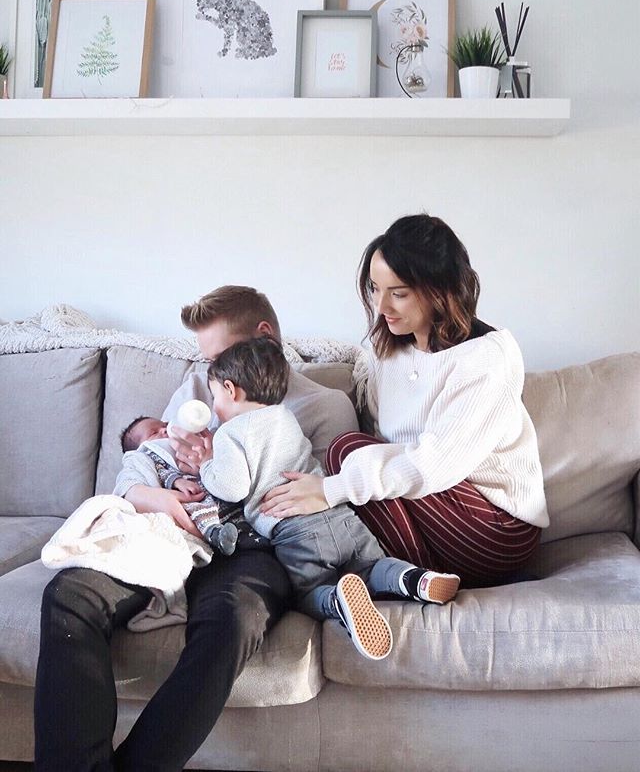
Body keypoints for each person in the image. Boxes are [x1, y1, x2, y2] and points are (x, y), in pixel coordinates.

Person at [34, 285, 359, 772]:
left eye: (217, 358)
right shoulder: (195, 388)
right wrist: (159, 497)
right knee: (69, 595)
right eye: (206, 361)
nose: (209, 376)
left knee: (233, 619)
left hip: (256, 548)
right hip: (172, 534)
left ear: (264, 336)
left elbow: (319, 510)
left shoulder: (324, 406)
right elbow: (146, 464)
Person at [262, 214, 550, 590]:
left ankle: (390, 576)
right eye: (374, 289)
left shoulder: (487, 357)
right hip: (431, 519)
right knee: (345, 452)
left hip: (496, 526)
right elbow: (380, 439)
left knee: (348, 452)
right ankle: (414, 581)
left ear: (439, 290)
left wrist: (331, 489)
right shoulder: (389, 349)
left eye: (398, 293)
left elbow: (435, 465)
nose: (382, 306)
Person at [192, 336, 460, 660]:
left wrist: (207, 464)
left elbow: (232, 487)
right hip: (339, 514)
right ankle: (414, 578)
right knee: (372, 566)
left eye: (214, 396)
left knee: (305, 594)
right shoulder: (284, 416)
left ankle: (337, 602)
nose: (214, 406)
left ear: (230, 389)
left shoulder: (229, 433)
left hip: (295, 532)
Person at [118, 415, 239, 556]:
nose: (164, 429)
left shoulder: (197, 439)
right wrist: (177, 481)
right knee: (198, 511)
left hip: (216, 491)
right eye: (153, 433)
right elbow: (158, 473)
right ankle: (216, 534)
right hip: (188, 501)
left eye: (165, 425)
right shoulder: (148, 456)